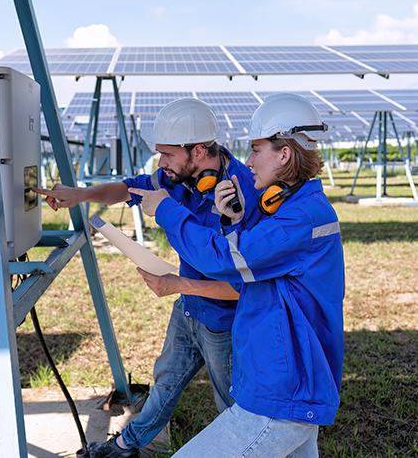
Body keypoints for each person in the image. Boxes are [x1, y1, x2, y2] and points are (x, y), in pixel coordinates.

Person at [32, 98, 262, 458]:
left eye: (167, 155)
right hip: (189, 309)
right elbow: (128, 189)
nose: (161, 164)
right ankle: (125, 446)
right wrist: (80, 194)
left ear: (198, 151)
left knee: (234, 410)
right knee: (166, 382)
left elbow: (248, 285)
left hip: (226, 323)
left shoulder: (246, 195)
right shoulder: (178, 179)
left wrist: (180, 284)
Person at [129, 93, 345, 458]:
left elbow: (224, 261)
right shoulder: (293, 209)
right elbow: (251, 267)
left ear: (284, 154)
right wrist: (232, 221)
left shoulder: (301, 218)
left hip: (280, 392)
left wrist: (166, 210)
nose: (247, 161)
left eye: (256, 149)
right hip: (283, 382)